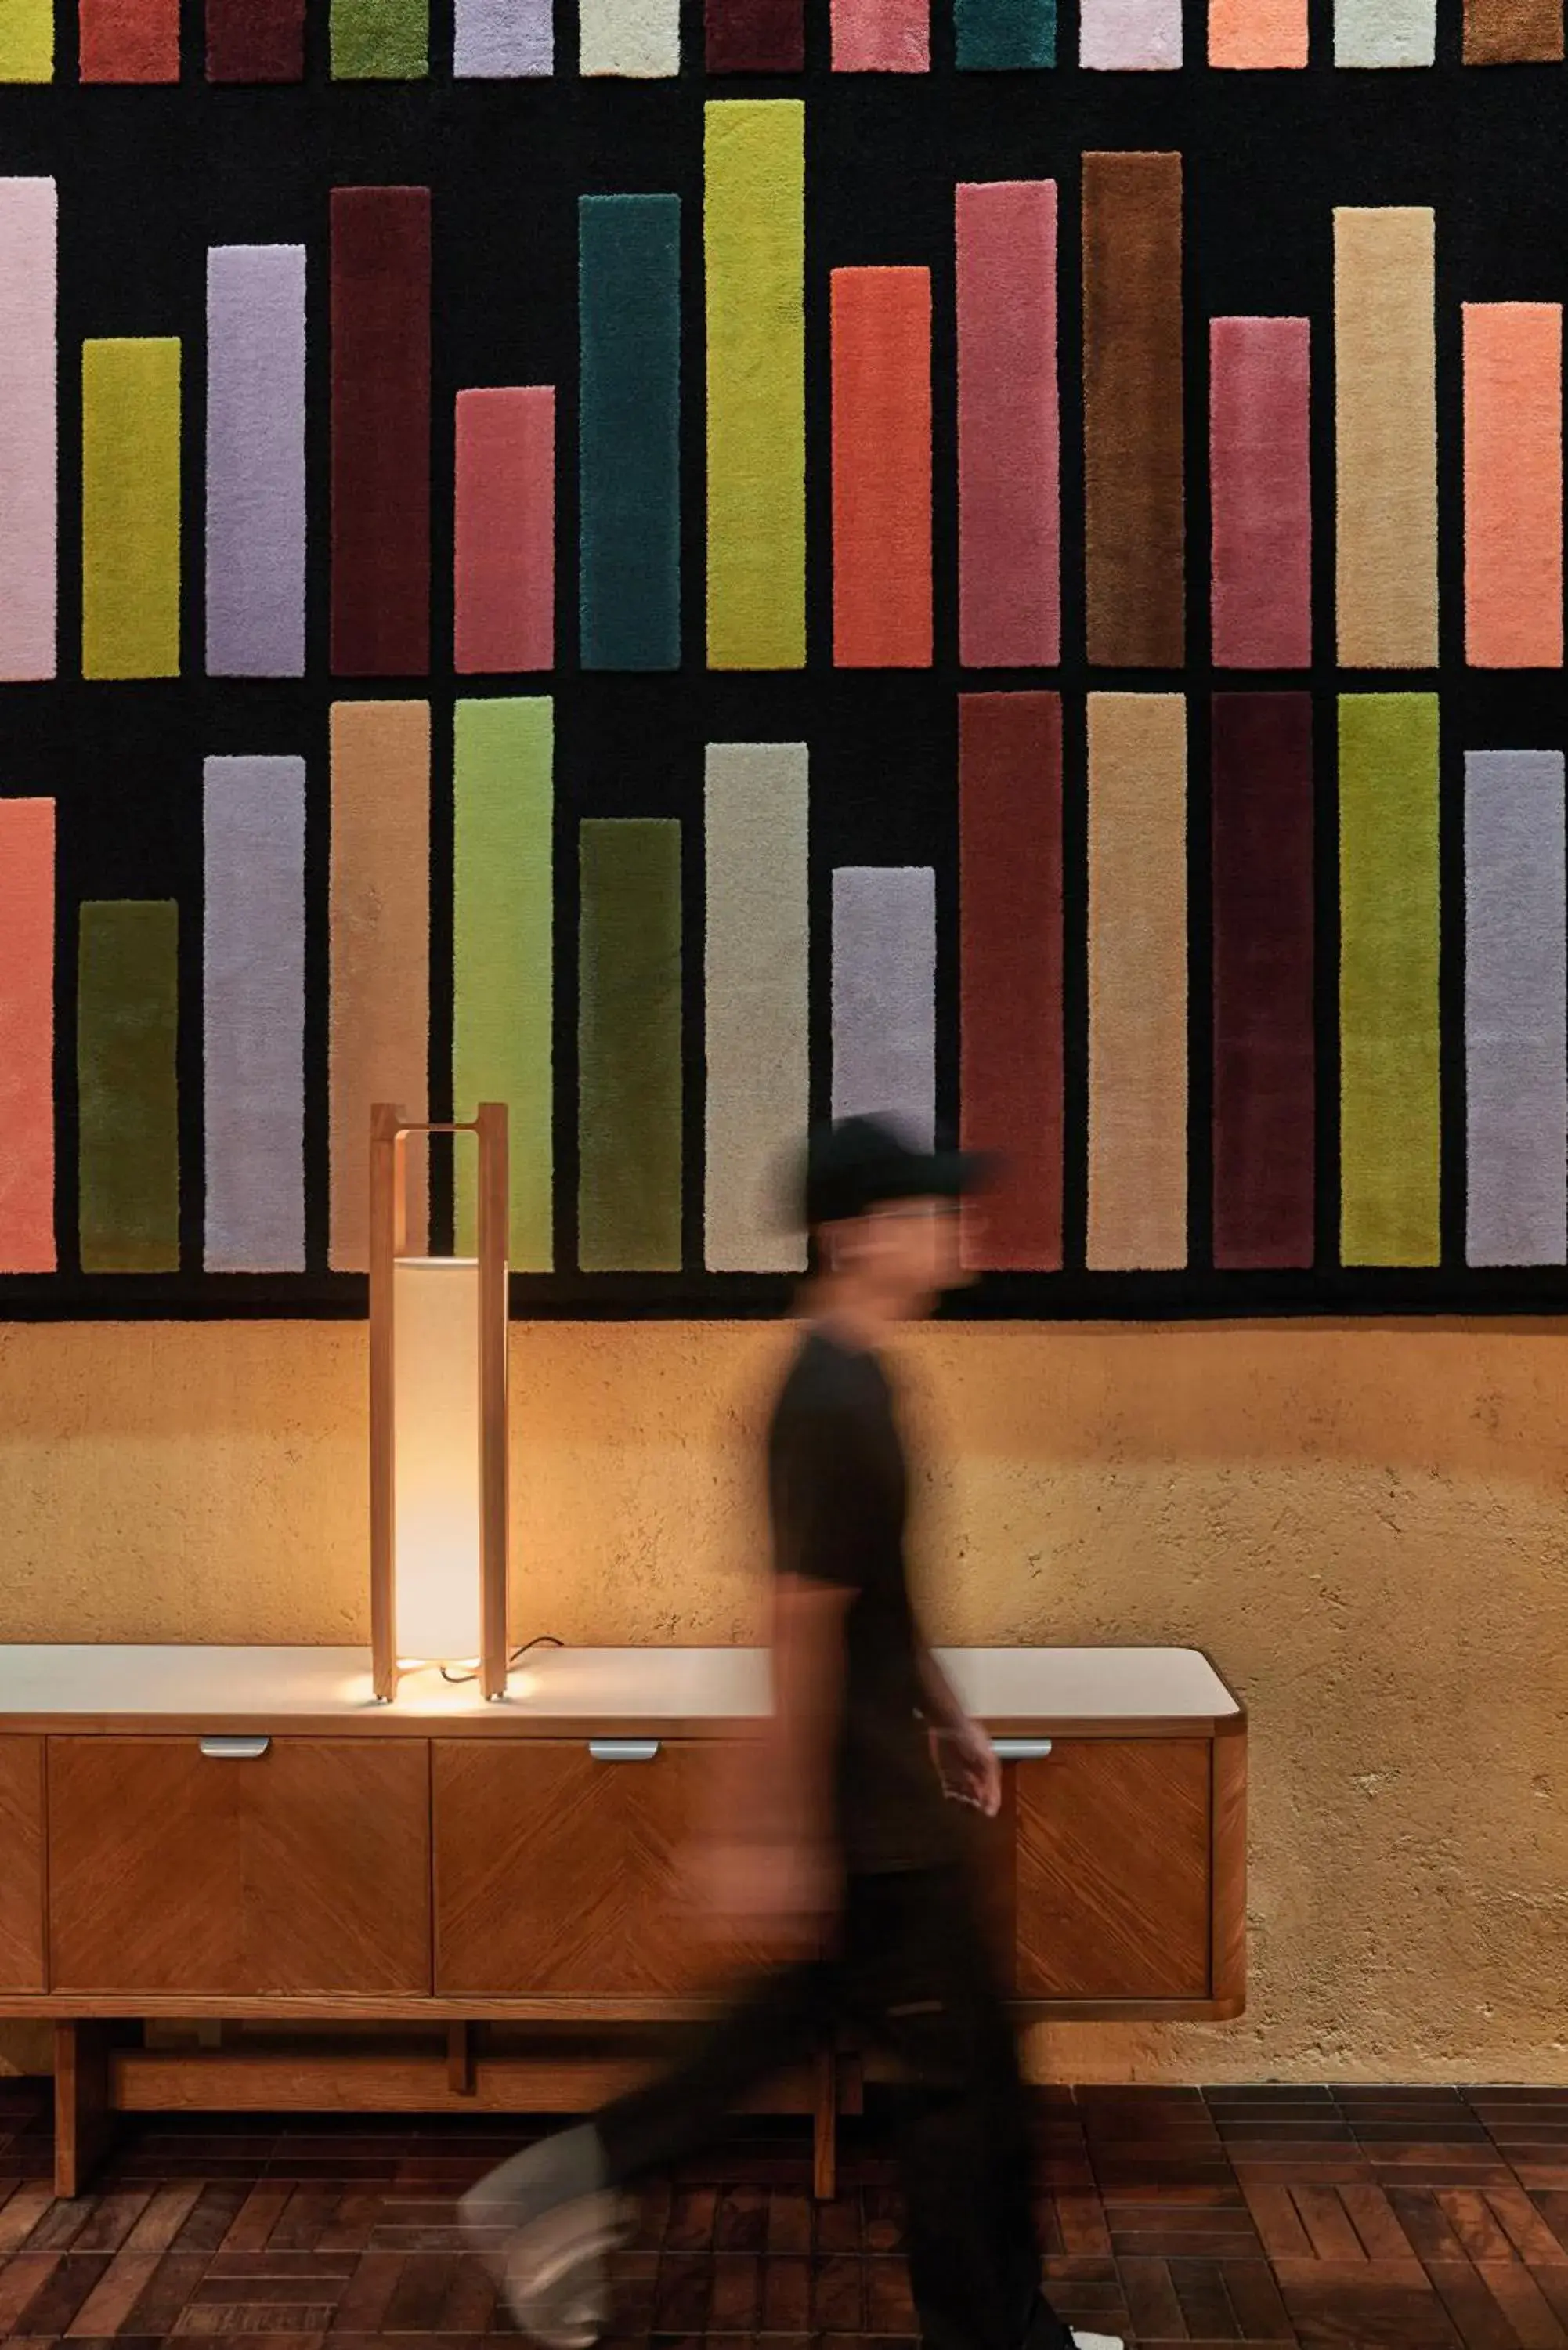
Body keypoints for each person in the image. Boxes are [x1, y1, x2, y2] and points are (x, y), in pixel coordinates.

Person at [461, 1114, 1122, 2350]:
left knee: (858, 2060)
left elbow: (872, 1589)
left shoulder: (860, 1374)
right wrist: (769, 1834)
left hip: (876, 1796)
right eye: (932, 1211)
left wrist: (947, 1712)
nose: (958, 1228)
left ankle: (570, 2180)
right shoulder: (824, 1394)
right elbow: (796, 1622)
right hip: (865, 1819)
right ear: (854, 1234)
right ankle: (991, 2333)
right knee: (960, 2093)